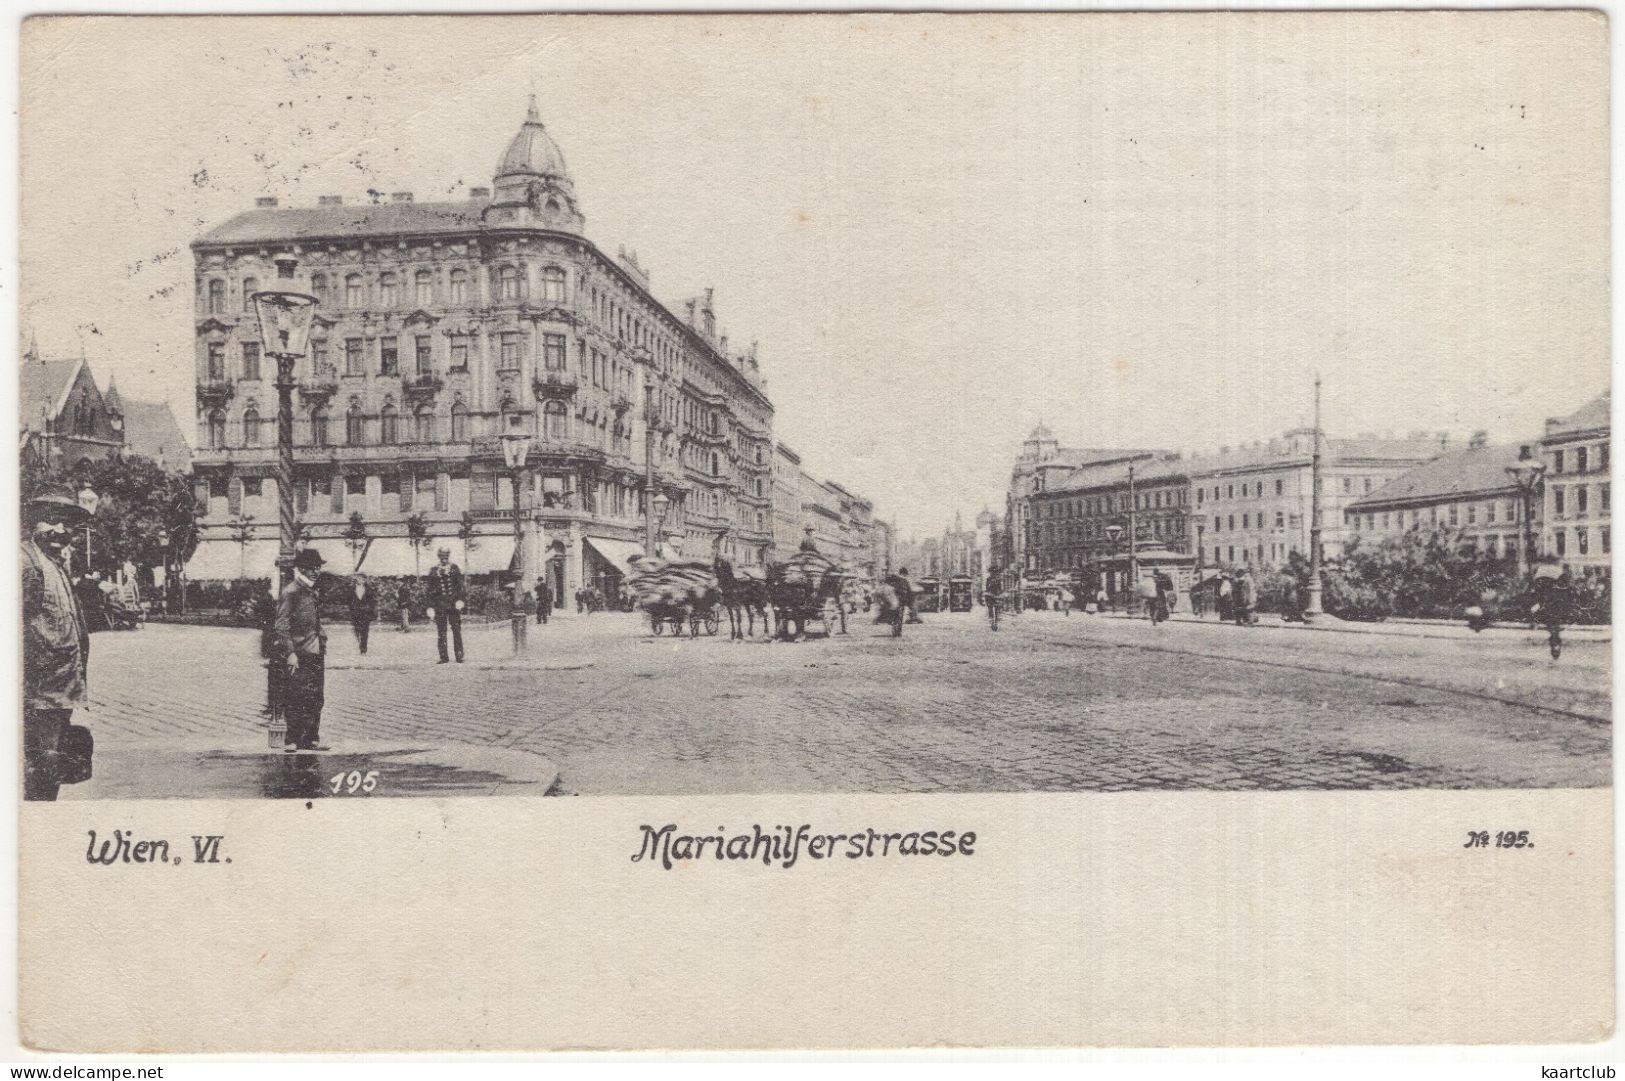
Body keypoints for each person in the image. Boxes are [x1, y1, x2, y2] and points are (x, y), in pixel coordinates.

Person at [21, 485, 93, 800]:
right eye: (49, 520)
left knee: (50, 775)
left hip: (60, 692)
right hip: (38, 694)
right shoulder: (26, 565)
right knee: (39, 776)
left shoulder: (55, 565)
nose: (58, 529)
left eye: (65, 522)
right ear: (33, 521)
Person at [274, 548, 329, 752]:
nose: (316, 571)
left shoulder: (312, 590)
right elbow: (281, 625)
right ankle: (292, 739)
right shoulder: (291, 591)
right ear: (302, 569)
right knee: (296, 696)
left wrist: (322, 641)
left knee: (316, 697)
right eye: (311, 568)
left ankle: (311, 738)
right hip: (299, 653)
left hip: (315, 652)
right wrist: (290, 653)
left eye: (318, 567)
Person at [425, 546, 466, 664]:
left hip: (453, 605)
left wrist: (460, 600)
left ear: (449, 556)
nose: (444, 558)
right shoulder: (433, 570)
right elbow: (429, 591)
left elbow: (460, 587)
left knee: (456, 629)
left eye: (446, 555)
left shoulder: (454, 568)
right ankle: (443, 657)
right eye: (442, 555)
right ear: (439, 556)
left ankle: (459, 655)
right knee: (441, 631)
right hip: (440, 605)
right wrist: (430, 606)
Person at [348, 574, 377, 654]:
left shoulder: (369, 589)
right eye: (359, 578)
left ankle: (363, 649)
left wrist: (370, 609)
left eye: (363, 579)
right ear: (357, 579)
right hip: (355, 613)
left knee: (365, 631)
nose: (361, 580)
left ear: (365, 580)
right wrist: (352, 608)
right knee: (357, 630)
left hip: (365, 613)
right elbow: (348, 600)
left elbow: (372, 601)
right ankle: (359, 642)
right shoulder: (352, 589)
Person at [509, 579, 531, 655]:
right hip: (518, 613)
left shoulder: (520, 593)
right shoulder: (518, 592)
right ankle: (519, 650)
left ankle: (519, 650)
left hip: (519, 613)